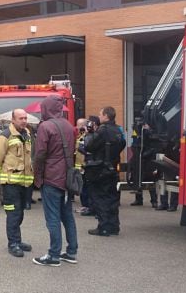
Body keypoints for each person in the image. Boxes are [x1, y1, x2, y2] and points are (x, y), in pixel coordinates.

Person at [31, 95, 78, 267]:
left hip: (51, 177)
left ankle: (53, 255)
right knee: (67, 216)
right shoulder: (68, 125)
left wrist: (37, 176)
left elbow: (40, 154)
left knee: (52, 217)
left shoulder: (45, 126)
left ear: (46, 108)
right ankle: (71, 252)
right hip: (66, 177)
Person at [0, 109, 34, 258]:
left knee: (20, 213)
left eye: (25, 118)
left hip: (24, 183)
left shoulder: (27, 134)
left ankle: (18, 240)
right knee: (13, 214)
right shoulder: (5, 136)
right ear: (13, 120)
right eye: (20, 118)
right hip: (10, 183)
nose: (24, 120)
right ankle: (13, 244)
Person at [85, 106, 126, 237]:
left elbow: (89, 146)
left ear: (106, 116)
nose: (99, 116)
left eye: (100, 114)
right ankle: (114, 226)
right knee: (112, 198)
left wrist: (90, 134)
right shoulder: (118, 130)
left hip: (100, 169)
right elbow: (122, 145)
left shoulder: (102, 130)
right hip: (113, 168)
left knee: (100, 198)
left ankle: (103, 227)